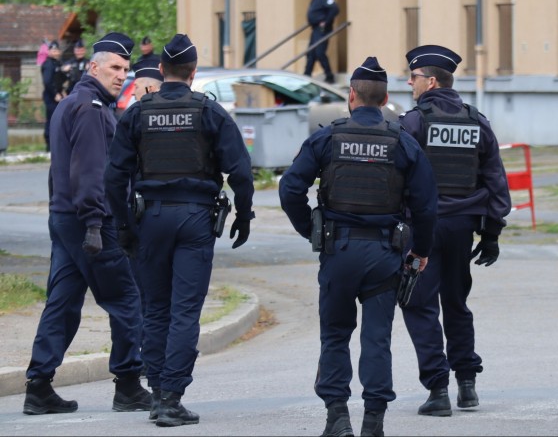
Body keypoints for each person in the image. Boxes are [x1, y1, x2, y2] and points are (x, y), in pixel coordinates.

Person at [278, 56, 438, 437]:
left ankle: (337, 418)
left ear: (351, 96)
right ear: (384, 100)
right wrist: (420, 250)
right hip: (384, 255)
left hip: (339, 252)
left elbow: (289, 188)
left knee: (335, 334)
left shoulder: (327, 138)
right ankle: (373, 423)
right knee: (376, 338)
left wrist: (311, 230)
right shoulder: (402, 142)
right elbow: (426, 206)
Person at [104, 33, 255, 428]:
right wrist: (244, 215)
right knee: (185, 310)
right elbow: (240, 171)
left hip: (151, 218)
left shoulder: (138, 113)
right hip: (195, 219)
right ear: (193, 72)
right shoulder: (209, 111)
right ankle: (171, 398)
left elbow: (113, 177)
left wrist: (124, 226)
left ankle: (157, 392)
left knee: (155, 308)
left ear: (161, 69)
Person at [24, 32, 152, 416]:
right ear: (93, 67)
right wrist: (96, 224)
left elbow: (60, 170)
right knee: (127, 299)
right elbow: (91, 173)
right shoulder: (93, 110)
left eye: (125, 70)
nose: (121, 75)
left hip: (65, 218)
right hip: (89, 222)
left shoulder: (68, 104)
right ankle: (128, 385)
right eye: (114, 67)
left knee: (62, 303)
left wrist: (65, 214)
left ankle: (38, 386)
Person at [399, 45, 512, 417]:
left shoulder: (413, 122)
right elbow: (495, 179)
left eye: (413, 77)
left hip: (422, 229)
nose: (409, 83)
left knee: (420, 304)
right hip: (463, 227)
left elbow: (396, 177)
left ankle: (437, 389)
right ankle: (466, 384)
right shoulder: (476, 121)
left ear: (431, 82)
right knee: (456, 303)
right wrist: (492, 232)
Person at [302, 0, 340, 84]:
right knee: (311, 53)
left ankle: (329, 76)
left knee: (319, 53)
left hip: (322, 30)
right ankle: (306, 75)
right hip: (316, 29)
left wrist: (326, 22)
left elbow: (335, 9)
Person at [40, 41, 66, 152]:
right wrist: (55, 93)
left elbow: (60, 80)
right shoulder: (48, 64)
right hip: (51, 97)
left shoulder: (58, 63)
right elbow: (47, 81)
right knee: (51, 120)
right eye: (53, 50)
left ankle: (57, 145)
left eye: (56, 50)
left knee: (59, 120)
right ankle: (49, 146)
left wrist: (62, 91)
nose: (55, 52)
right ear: (49, 51)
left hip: (59, 95)